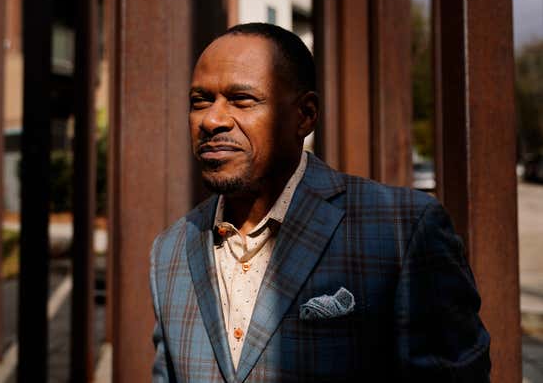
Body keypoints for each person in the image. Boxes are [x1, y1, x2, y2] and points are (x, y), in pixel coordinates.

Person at [149, 22, 490, 382]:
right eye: (200, 101)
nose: (212, 119)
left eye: (241, 100)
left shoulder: (403, 230)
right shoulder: (169, 251)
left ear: (305, 115)